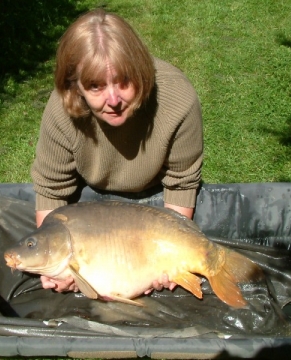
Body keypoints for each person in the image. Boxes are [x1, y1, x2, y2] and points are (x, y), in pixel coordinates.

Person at [31, 9, 203, 293]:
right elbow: (52, 189)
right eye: (96, 86)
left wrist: (169, 261)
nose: (113, 100)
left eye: (124, 81)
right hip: (90, 210)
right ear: (76, 88)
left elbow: (182, 183)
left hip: (156, 201)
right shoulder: (61, 111)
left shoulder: (178, 100)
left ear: (140, 70)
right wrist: (53, 264)